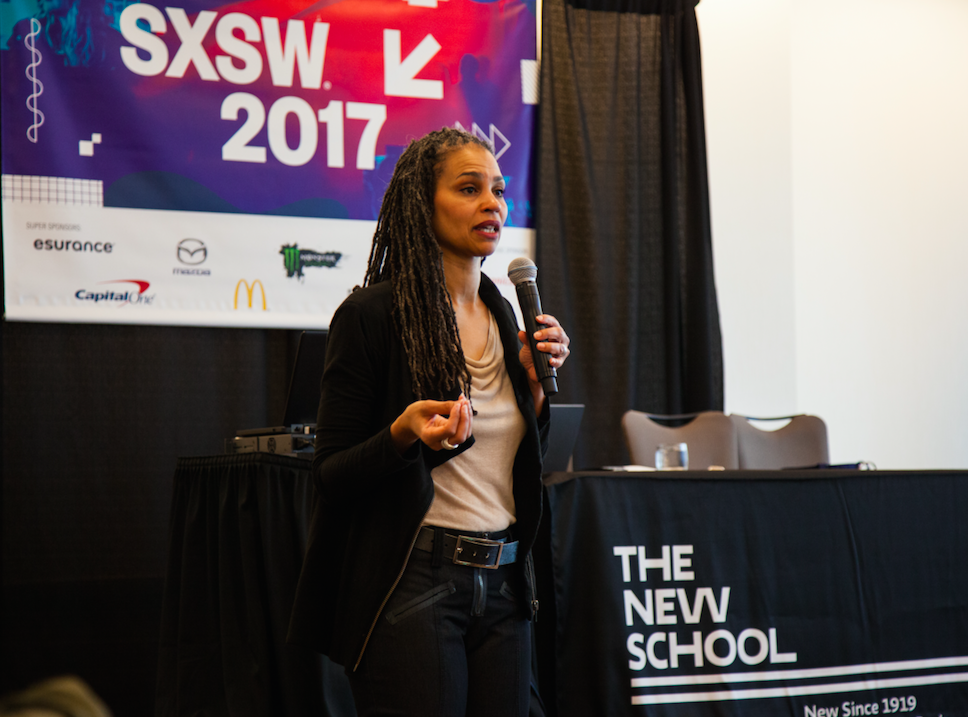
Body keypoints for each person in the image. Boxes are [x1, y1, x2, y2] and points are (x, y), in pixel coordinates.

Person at [288, 127, 570, 716]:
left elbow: (512, 457)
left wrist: (536, 393)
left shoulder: (504, 310)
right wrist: (403, 432)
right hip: (415, 583)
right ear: (423, 202)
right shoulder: (372, 316)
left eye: (497, 189)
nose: (492, 203)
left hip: (505, 585)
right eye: (469, 189)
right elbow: (331, 473)